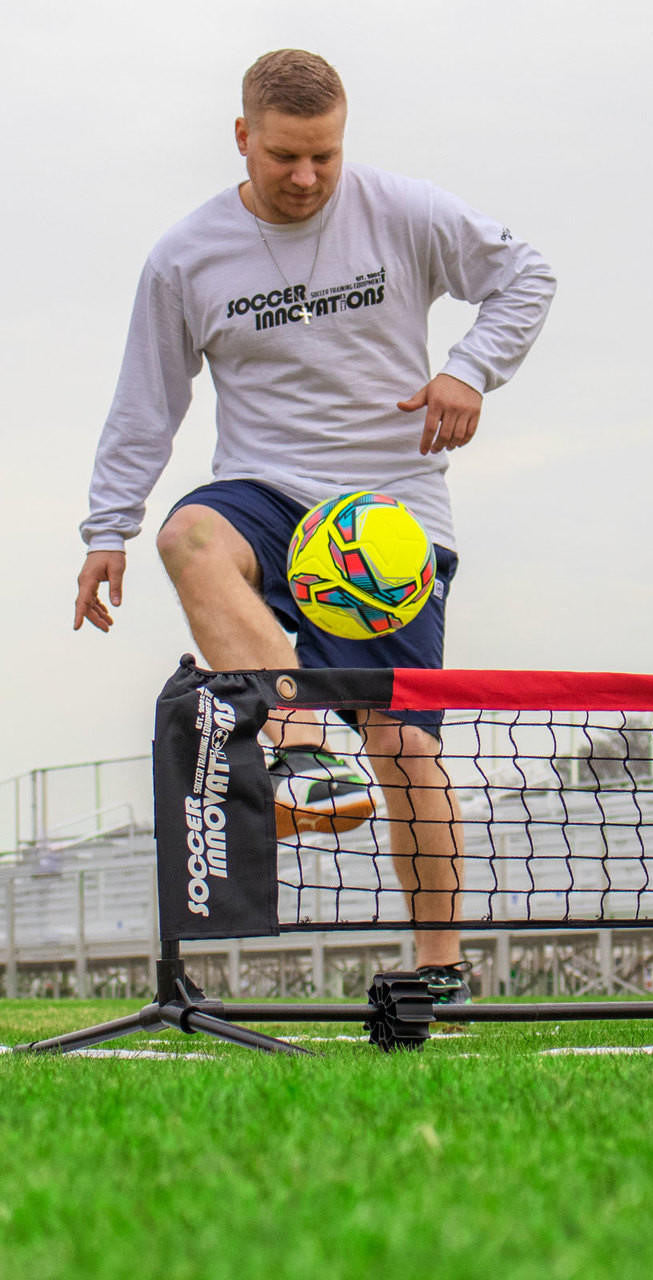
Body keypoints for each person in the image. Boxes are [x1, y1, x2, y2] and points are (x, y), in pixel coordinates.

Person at [73, 49, 556, 1005]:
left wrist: (469, 370)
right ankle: (301, 749)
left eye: (324, 157)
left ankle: (440, 967)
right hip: (266, 494)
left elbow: (526, 274)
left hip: (388, 516)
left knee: (403, 744)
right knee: (188, 538)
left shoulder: (404, 211)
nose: (305, 178)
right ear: (242, 137)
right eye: (285, 156)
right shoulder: (186, 257)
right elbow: (147, 400)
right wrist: (106, 528)